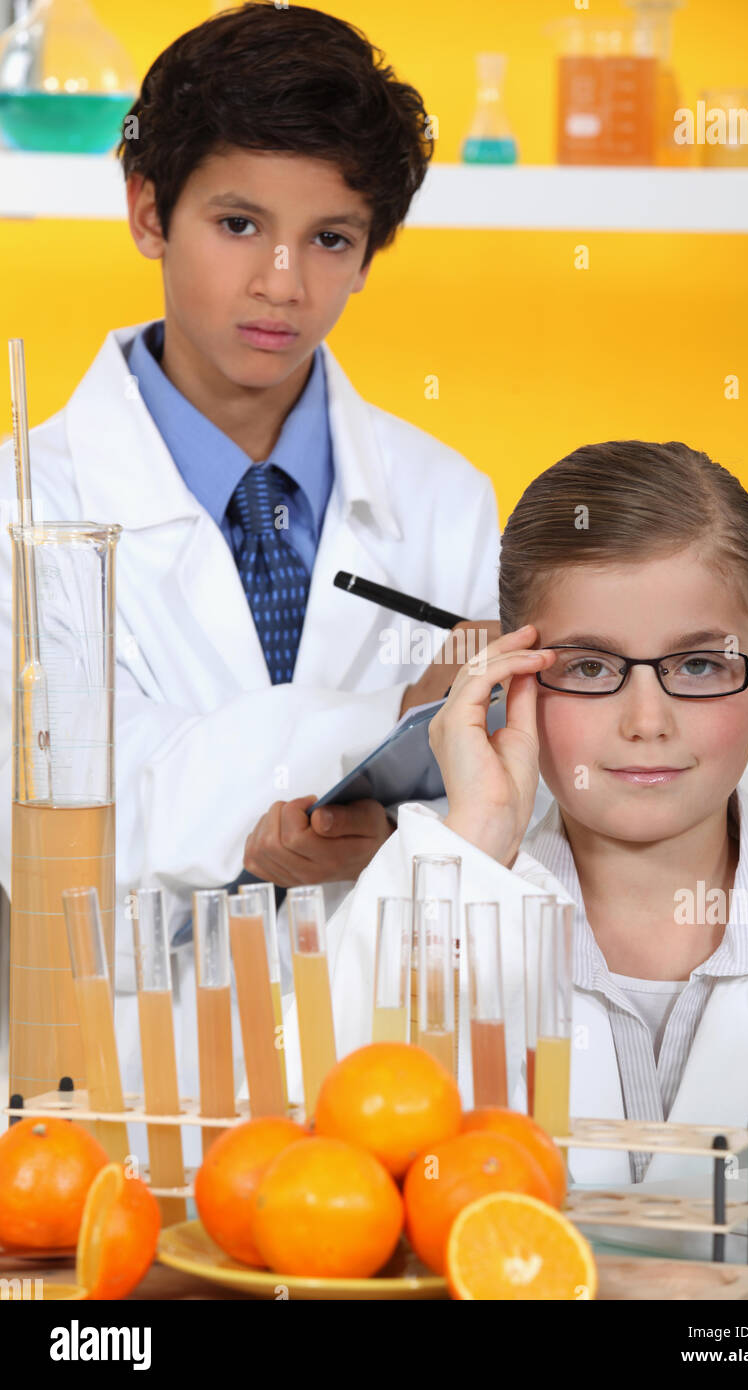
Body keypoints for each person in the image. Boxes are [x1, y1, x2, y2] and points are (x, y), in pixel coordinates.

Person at [0, 5, 500, 1122]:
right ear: (146, 210)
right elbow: (60, 803)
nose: (281, 280)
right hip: (104, 1097)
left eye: (328, 237)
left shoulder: (444, 502)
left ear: (369, 253)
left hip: (371, 1093)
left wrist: (451, 762)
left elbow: (498, 829)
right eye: (237, 223)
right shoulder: (25, 505)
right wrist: (391, 720)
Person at [307, 440, 748, 1185]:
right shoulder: (435, 909)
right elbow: (310, 1165)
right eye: (591, 668)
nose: (647, 721)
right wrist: (472, 843)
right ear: (509, 681)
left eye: (699, 664)